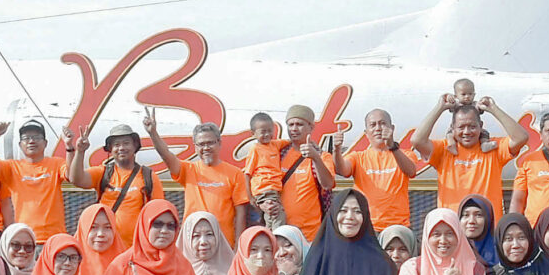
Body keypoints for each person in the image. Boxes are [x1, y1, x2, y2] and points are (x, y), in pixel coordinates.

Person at [294, 190, 399, 275]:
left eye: (357, 211)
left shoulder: (383, 264)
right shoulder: (319, 258)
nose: (350, 217)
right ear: (333, 214)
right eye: (343, 210)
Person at [415, 95, 528, 221]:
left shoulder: (492, 147)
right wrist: (439, 108)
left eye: (472, 126)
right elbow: (417, 140)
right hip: (453, 226)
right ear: (452, 128)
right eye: (461, 127)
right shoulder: (444, 149)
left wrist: (494, 109)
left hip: (488, 226)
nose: (467, 132)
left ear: (481, 125)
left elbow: (521, 138)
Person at [327, 109, 423, 233]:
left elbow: (411, 171)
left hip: (397, 227)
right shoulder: (358, 157)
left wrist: (392, 146)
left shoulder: (405, 154)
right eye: (373, 125)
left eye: (382, 123)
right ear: (366, 133)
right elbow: (342, 170)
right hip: (365, 227)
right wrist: (336, 149)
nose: (378, 128)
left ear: (392, 128)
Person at [251, 105, 336, 238]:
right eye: (290, 124)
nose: (294, 129)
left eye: (299, 124)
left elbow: (328, 184)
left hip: (309, 235)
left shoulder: (322, 156)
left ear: (311, 127)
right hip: (280, 232)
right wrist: (262, 204)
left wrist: (315, 158)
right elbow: (257, 178)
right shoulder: (278, 153)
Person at [66, 118, 159, 238]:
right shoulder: (103, 172)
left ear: (135, 146)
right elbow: (76, 179)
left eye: (126, 143)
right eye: (116, 144)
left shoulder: (148, 176)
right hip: (105, 243)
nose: (121, 148)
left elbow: (158, 214)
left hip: (134, 246)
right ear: (110, 149)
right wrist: (80, 151)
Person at [167, 118, 255, 235]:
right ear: (195, 147)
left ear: (219, 143)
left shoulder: (235, 173)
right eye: (201, 144)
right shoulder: (188, 169)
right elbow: (167, 157)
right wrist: (153, 134)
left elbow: (241, 213)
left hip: (223, 240)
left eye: (210, 143)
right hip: (192, 239)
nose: (206, 148)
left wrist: (239, 242)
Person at [0, 120, 71, 240]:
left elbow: (71, 175)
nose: (31, 141)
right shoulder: (11, 167)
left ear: (45, 143)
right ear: (20, 144)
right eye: (26, 138)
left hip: (54, 237)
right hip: (26, 239)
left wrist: (69, 147)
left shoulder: (56, 163)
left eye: (37, 137)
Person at [182, 211, 232, 275]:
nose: (203, 242)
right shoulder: (174, 272)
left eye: (209, 234)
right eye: (196, 236)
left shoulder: (234, 270)